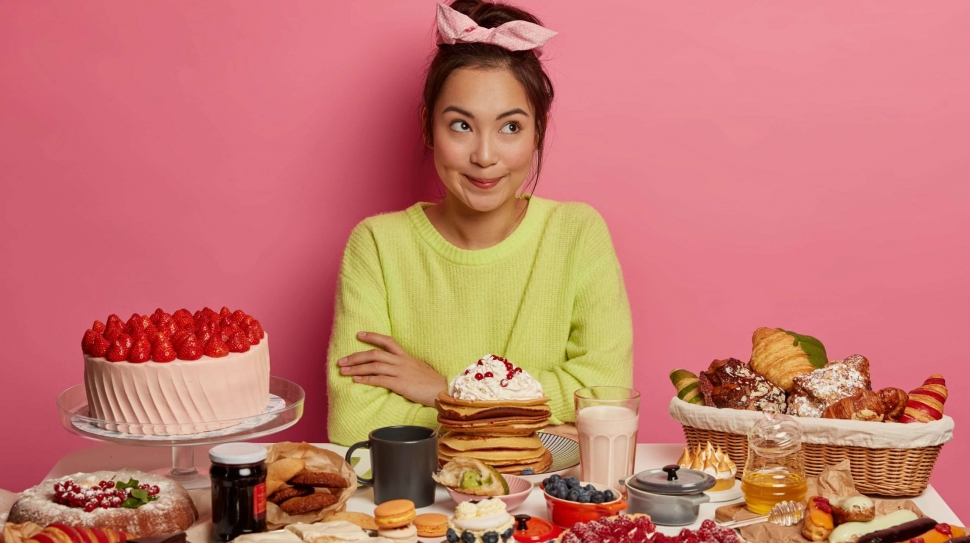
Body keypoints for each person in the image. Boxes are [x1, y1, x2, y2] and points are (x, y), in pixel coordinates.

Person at [327, 0, 633, 445]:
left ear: (538, 133)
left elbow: (605, 395)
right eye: (461, 126)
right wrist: (535, 424)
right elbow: (355, 420)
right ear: (429, 127)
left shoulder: (576, 233)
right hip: (420, 505)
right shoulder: (377, 244)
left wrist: (445, 391)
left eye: (510, 127)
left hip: (543, 503)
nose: (485, 156)